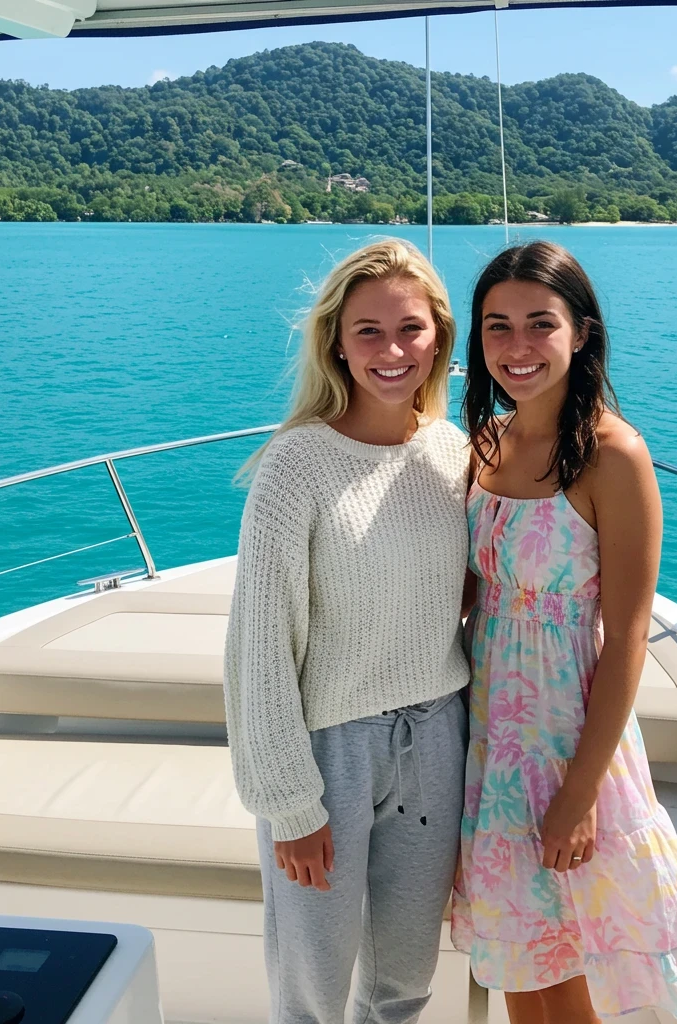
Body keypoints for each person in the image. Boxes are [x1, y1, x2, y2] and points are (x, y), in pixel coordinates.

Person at [450, 241, 677, 1023]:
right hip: (491, 740)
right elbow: (467, 599)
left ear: (580, 333)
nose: (517, 347)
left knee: (576, 959)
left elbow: (626, 639)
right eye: (497, 326)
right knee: (520, 954)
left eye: (539, 324)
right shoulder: (487, 444)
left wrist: (579, 792)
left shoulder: (614, 455)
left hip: (572, 741)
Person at [224, 238, 471, 1024]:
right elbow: (259, 649)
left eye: (411, 329)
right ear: (335, 340)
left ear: (439, 337)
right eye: (368, 331)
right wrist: (289, 804)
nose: (392, 350)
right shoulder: (295, 466)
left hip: (439, 740)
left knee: (404, 981)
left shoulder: (457, 455)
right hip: (330, 753)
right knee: (312, 989)